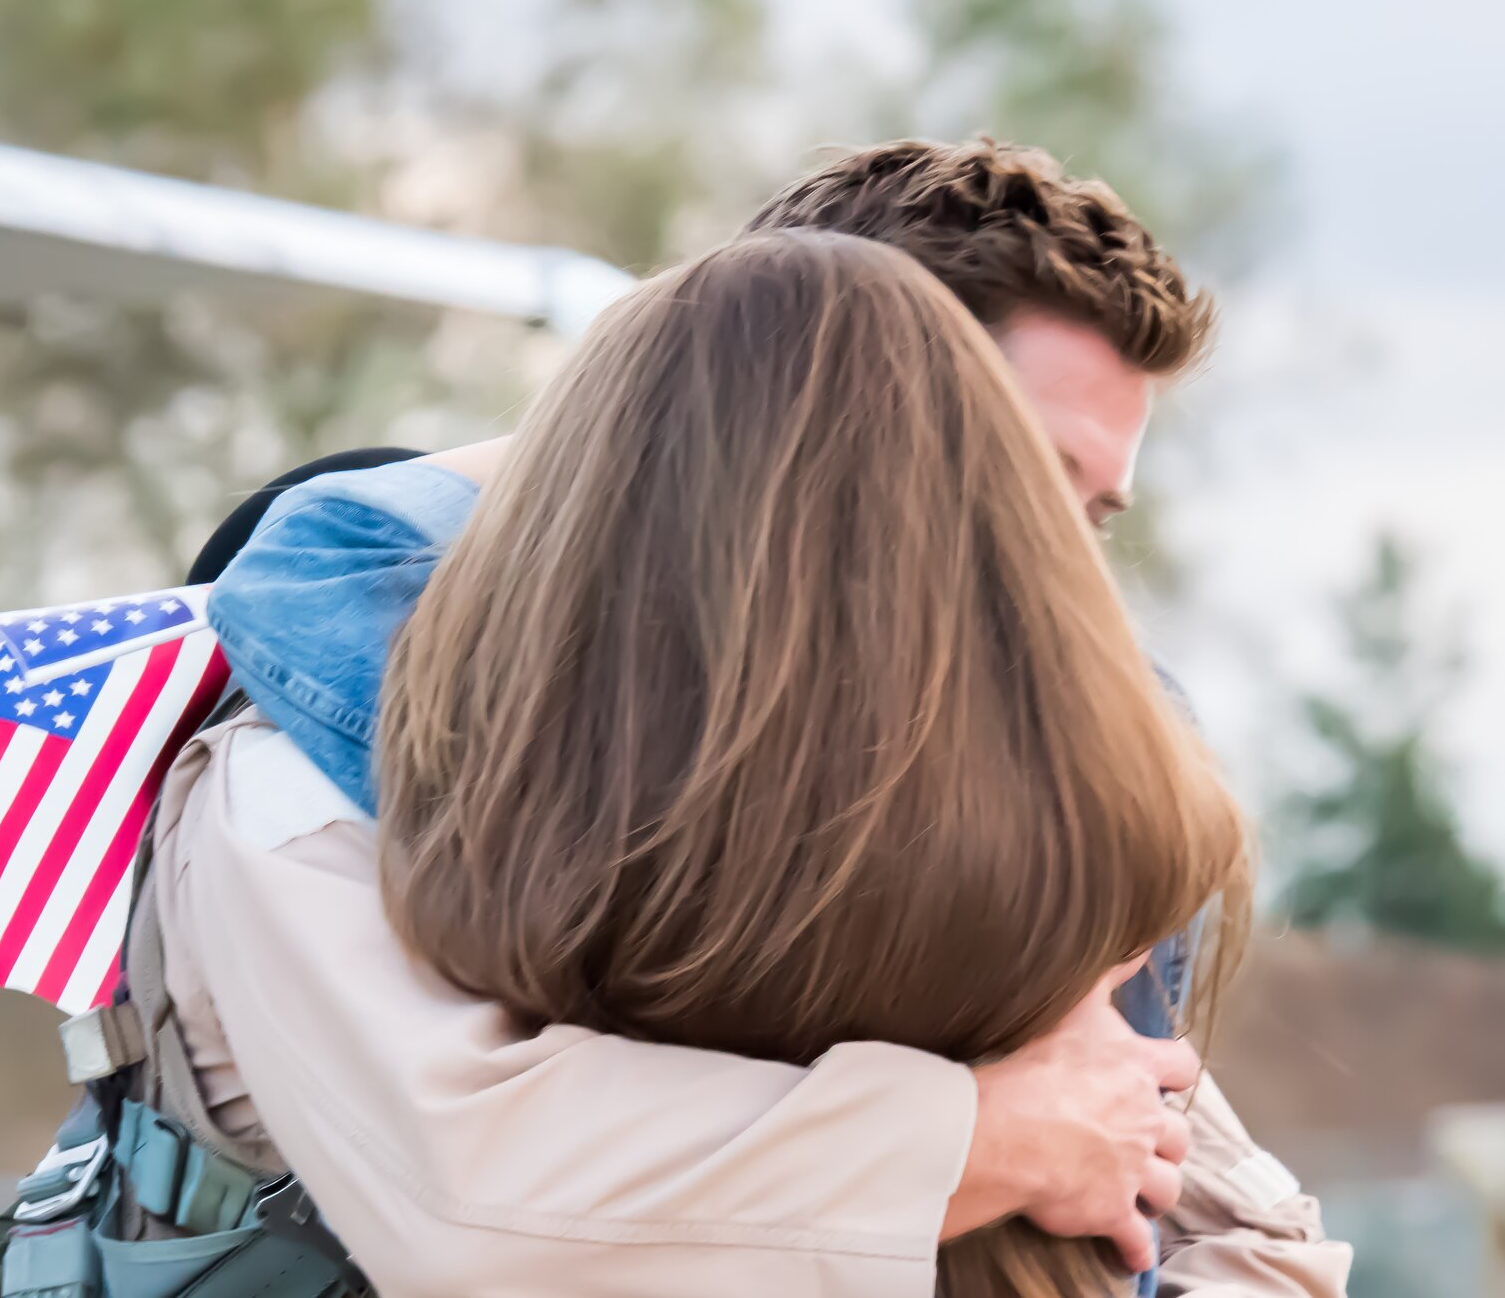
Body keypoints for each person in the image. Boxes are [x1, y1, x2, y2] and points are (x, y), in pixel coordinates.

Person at [165, 142, 1348, 1296]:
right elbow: (478, 1199)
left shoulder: (1030, 815)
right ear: (777, 431)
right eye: (1011, 483)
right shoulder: (316, 756)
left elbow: (1234, 1219)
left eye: (1084, 519)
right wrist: (990, 1133)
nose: (1057, 585)